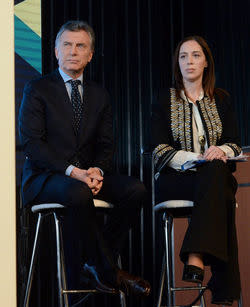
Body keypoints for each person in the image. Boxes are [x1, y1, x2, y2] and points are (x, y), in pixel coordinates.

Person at [19, 20, 151, 298]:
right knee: (78, 191)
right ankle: (109, 270)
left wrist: (98, 171)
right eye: (67, 44)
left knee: (136, 190)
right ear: (56, 51)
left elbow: (106, 145)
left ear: (90, 55)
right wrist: (73, 172)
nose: (73, 51)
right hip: (45, 179)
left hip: (85, 177)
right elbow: (33, 145)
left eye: (80, 46)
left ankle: (94, 263)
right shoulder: (37, 89)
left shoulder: (100, 95)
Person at [152, 35, 242, 305]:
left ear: (206, 63)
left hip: (212, 180)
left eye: (195, 55)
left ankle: (197, 259)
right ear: (177, 64)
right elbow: (157, 149)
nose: (189, 61)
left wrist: (221, 151)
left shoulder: (222, 99)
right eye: (183, 56)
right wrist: (197, 158)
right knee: (220, 189)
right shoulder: (164, 100)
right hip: (175, 181)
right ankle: (223, 286)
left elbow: (235, 144)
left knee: (216, 175)